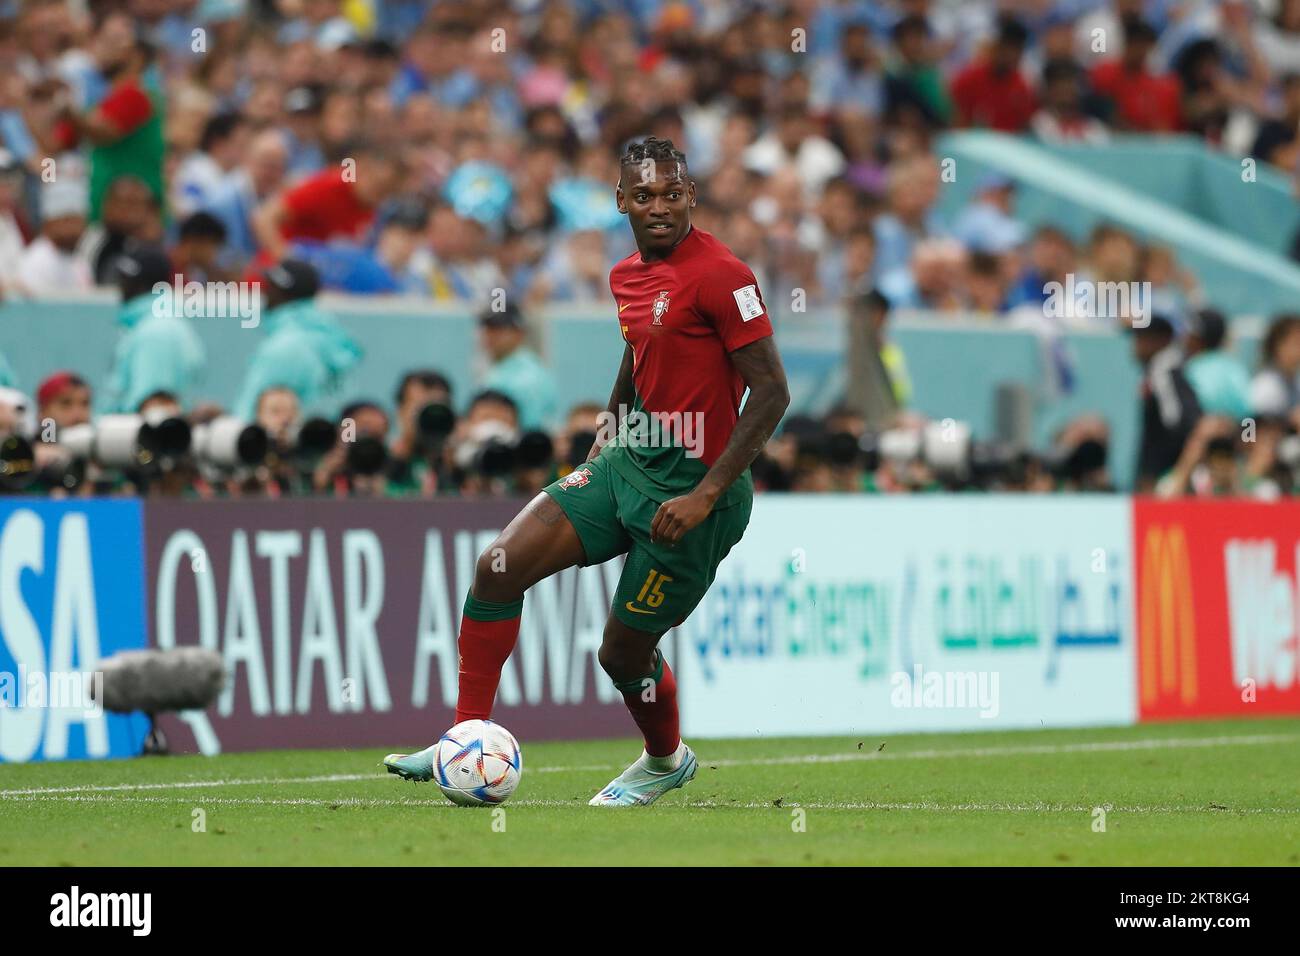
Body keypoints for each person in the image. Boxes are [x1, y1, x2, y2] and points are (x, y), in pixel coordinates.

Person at [383, 136, 791, 806]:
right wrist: (607, 437)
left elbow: (772, 391)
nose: (659, 207)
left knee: (622, 656)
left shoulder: (724, 276)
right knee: (497, 567)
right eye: (645, 195)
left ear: (689, 195)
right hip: (629, 459)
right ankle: (465, 735)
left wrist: (706, 492)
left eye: (671, 193)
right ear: (621, 201)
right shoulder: (626, 273)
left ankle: (665, 760)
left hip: (696, 491)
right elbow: (637, 358)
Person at [233, 259, 362, 420]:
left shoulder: (285, 346)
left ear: (282, 293)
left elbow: (248, 411)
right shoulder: (331, 336)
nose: (264, 293)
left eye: (270, 287)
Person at [106, 241, 206, 413]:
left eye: (126, 279)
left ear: (142, 283)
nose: (120, 285)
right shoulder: (157, 323)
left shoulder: (157, 331)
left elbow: (152, 410)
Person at [1133, 315, 1202, 492]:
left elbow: (1175, 419)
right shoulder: (1165, 367)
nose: (1136, 345)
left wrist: (1157, 473)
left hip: (1166, 472)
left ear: (1161, 340)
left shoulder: (1163, 369)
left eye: (1142, 338)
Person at [477, 301, 558, 432]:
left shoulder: (528, 374)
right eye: (487, 328)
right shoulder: (501, 368)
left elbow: (533, 427)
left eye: (499, 330)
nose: (490, 335)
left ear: (519, 333)